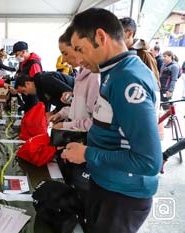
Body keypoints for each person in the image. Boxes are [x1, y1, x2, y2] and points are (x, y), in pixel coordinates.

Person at [61, 8, 161, 233]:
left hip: (122, 196)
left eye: (80, 49)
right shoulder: (112, 73)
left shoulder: (128, 80)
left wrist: (87, 154)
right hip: (107, 186)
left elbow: (149, 161)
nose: (79, 59)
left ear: (100, 37)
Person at [48, 34, 100, 131]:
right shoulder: (80, 75)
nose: (63, 59)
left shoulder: (94, 77)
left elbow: (96, 122)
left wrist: (65, 126)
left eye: (65, 53)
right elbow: (79, 109)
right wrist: (61, 114)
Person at [120, 17, 160, 88]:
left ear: (129, 34)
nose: (114, 37)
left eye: (119, 34)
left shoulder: (144, 53)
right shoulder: (119, 51)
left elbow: (155, 83)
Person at [11, 41, 42, 112]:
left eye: (17, 54)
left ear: (23, 52)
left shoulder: (34, 64)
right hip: (26, 97)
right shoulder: (22, 63)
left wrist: (18, 90)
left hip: (33, 99)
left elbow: (35, 85)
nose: (16, 57)